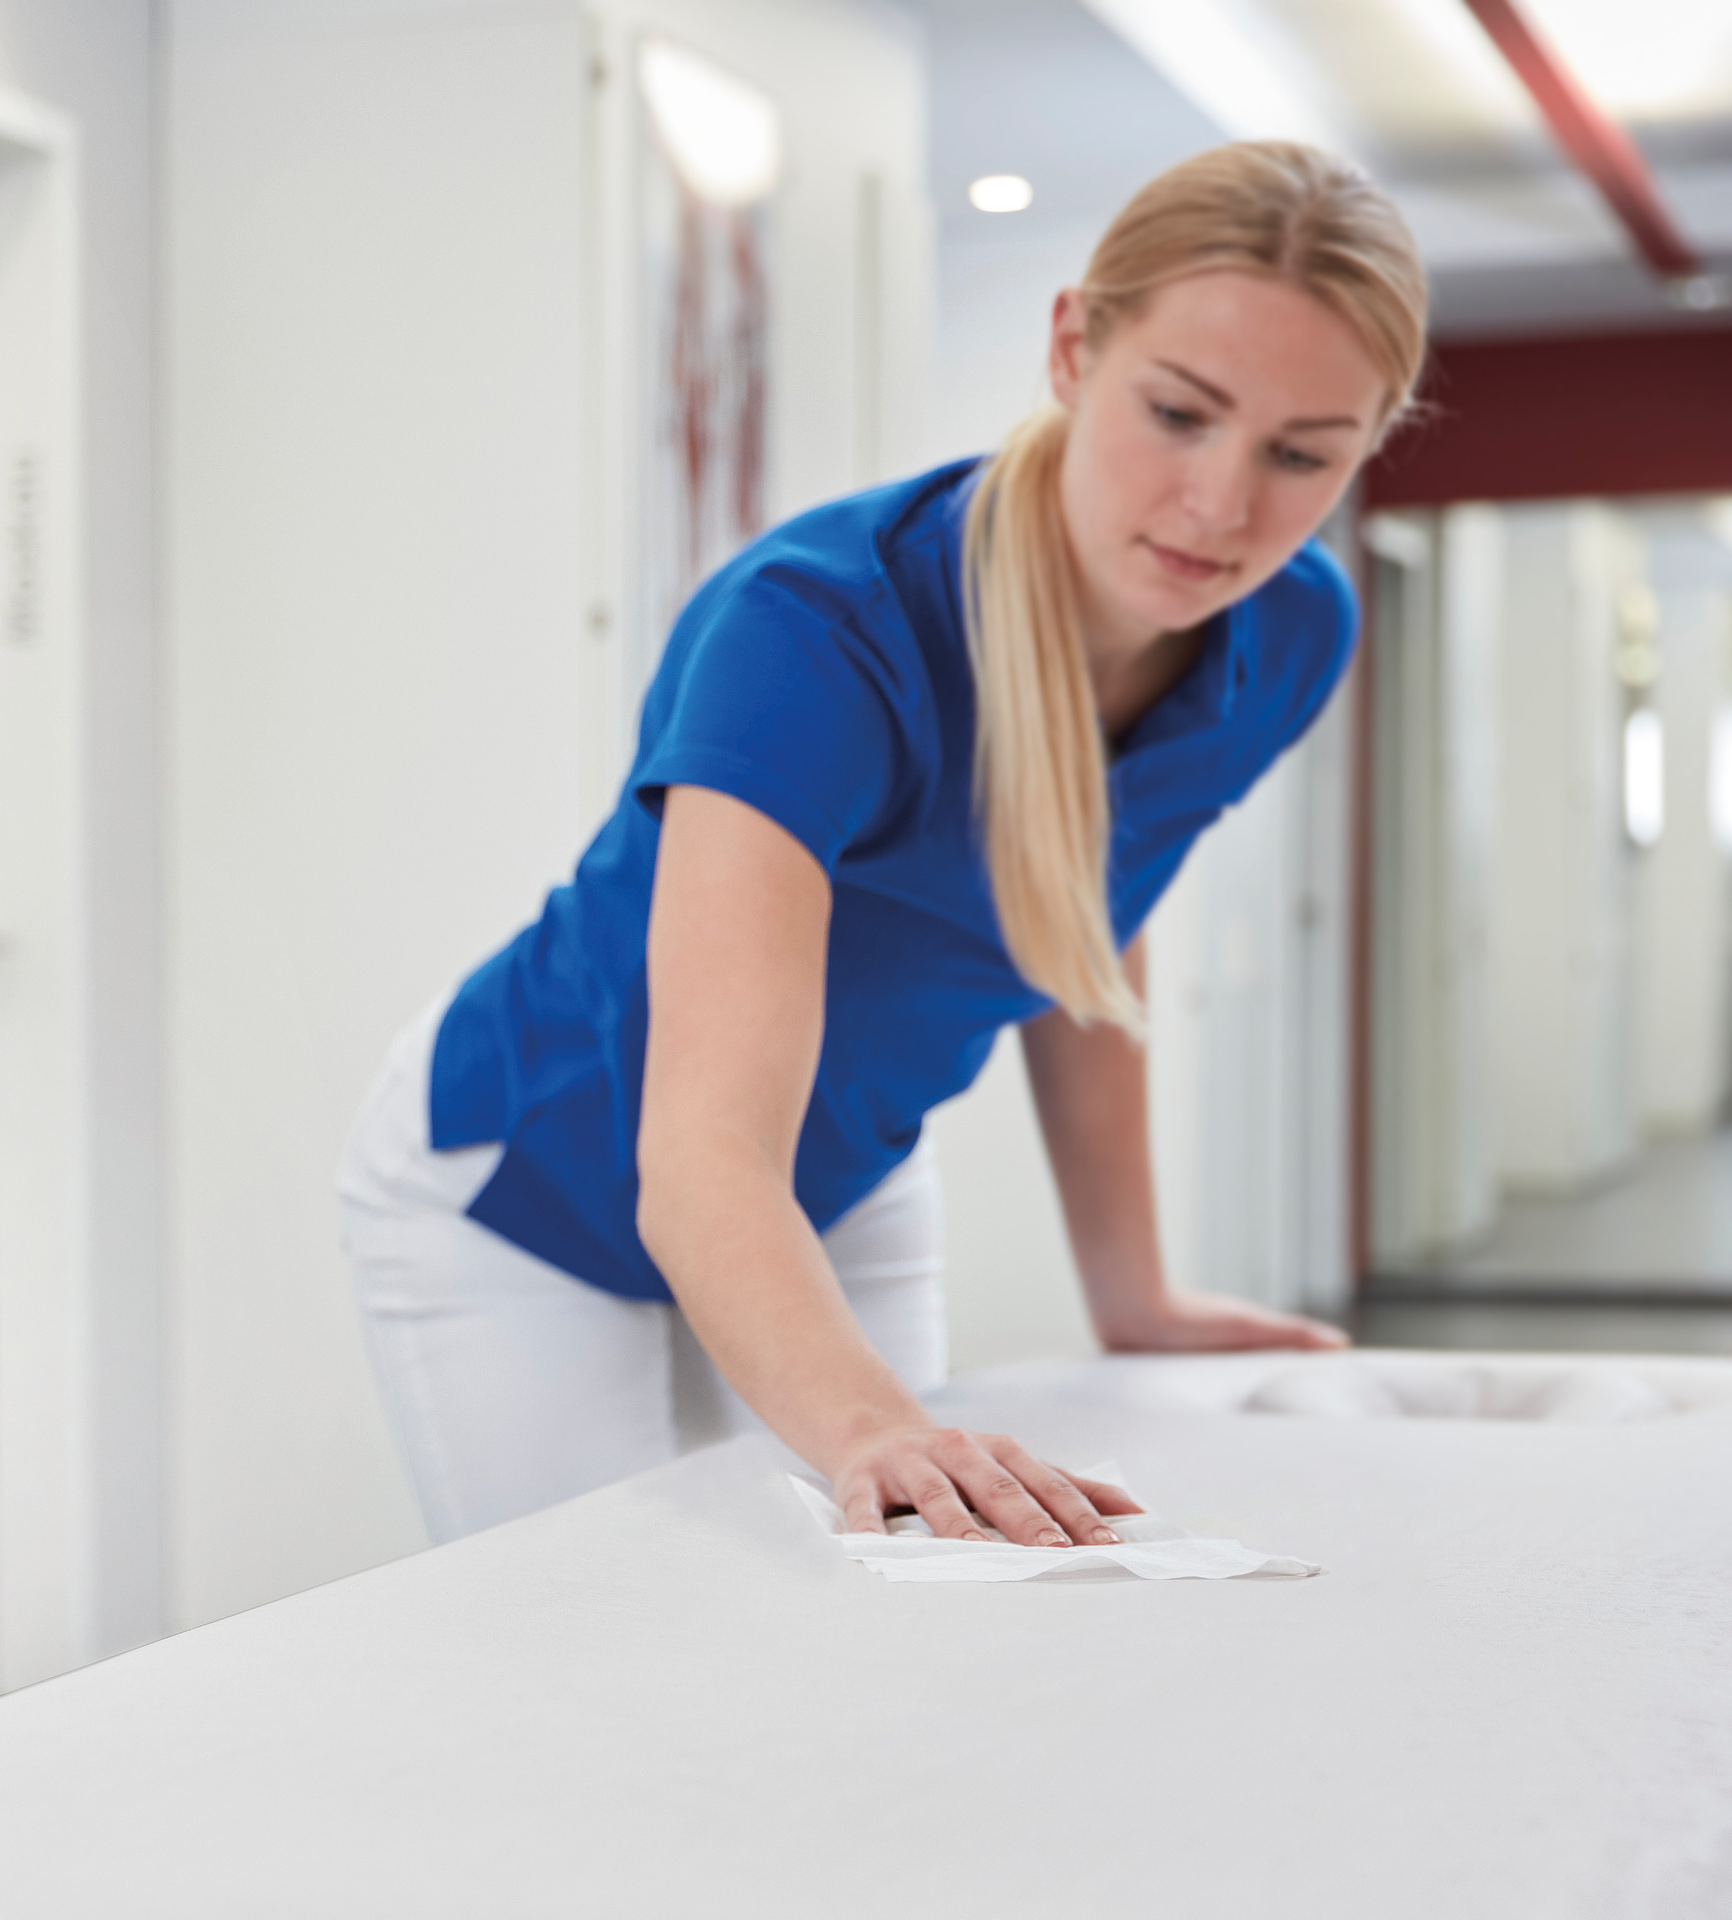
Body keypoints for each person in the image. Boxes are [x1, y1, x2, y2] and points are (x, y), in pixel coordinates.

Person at [338, 140, 1427, 1548]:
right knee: (605, 1642)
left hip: (834, 1169)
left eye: (1301, 455)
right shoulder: (814, 631)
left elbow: (1088, 913)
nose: (1223, 506)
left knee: (910, 1597)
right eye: (1179, 412)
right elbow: (703, 1153)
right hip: (531, 1176)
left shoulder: (1291, 633)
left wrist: (1133, 1291)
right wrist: (874, 1428)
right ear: (1072, 346)